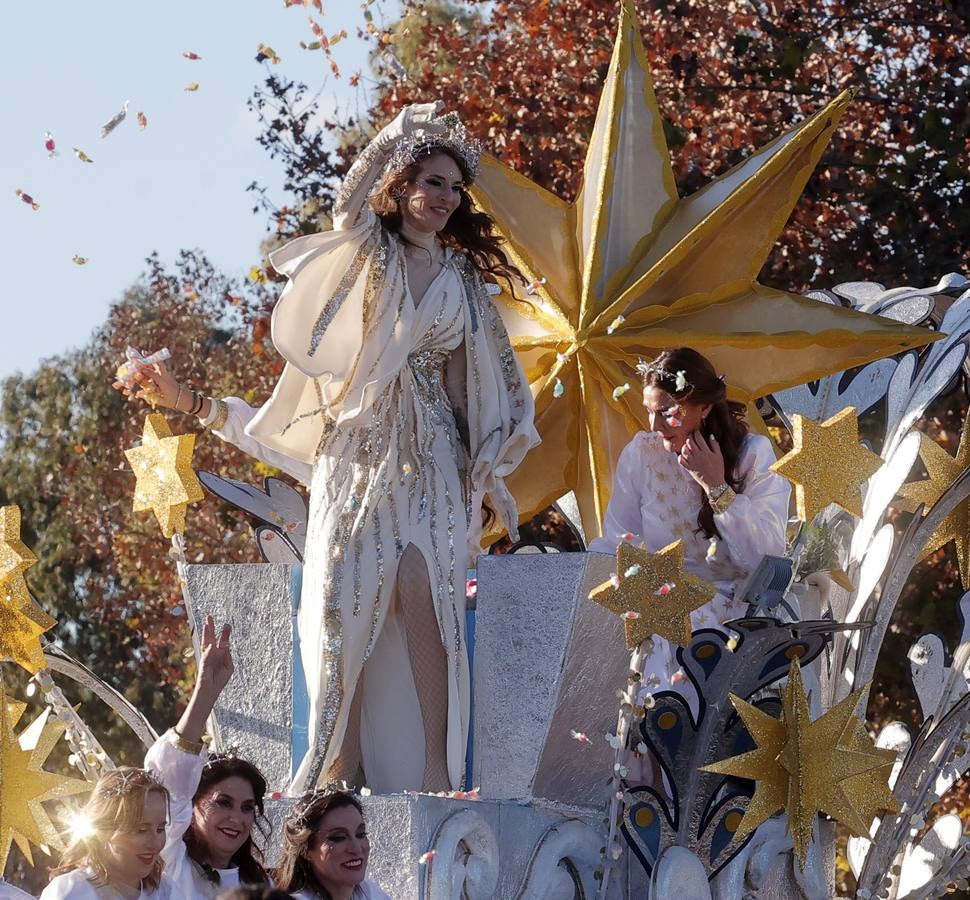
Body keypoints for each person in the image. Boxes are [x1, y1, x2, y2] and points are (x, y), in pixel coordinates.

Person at [118, 102, 539, 794]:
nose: (444, 198)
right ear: (402, 185)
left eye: (455, 187)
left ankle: (437, 770)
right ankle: (334, 765)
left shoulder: (464, 281)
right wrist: (395, 134)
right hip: (356, 454)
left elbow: (478, 390)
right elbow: (349, 208)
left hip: (431, 457)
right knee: (348, 597)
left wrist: (482, 476)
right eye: (430, 180)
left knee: (423, 591)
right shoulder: (369, 255)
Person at [590, 347, 791, 707]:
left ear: (704, 407)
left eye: (668, 413)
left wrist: (717, 488)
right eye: (650, 412)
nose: (654, 427)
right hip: (656, 609)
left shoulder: (752, 454)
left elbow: (767, 555)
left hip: (733, 618)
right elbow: (619, 544)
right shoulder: (641, 454)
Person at [144, 616, 273, 898]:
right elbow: (169, 775)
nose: (236, 818)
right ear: (193, 804)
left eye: (247, 807)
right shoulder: (170, 860)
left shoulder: (263, 886)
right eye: (223, 803)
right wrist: (204, 692)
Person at [40, 768, 171, 899]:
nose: (156, 843)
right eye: (141, 830)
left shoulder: (166, 890)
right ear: (103, 831)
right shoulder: (71, 892)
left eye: (160, 829)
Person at [272, 789, 390, 900]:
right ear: (306, 849)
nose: (356, 848)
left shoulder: (371, 893)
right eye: (339, 838)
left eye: (361, 834)